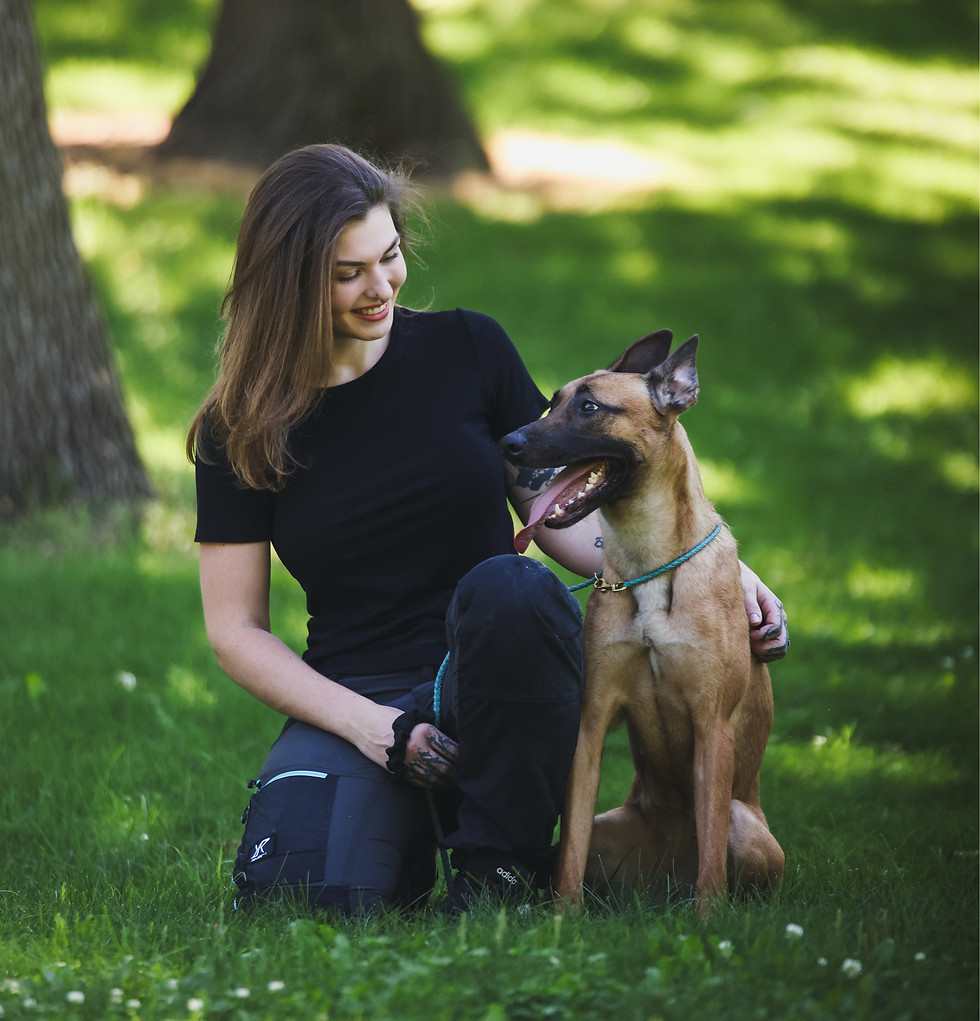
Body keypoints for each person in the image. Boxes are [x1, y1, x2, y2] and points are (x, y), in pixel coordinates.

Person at [187, 143, 789, 917]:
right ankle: (407, 828)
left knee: (514, 586)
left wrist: (710, 570)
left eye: (390, 256)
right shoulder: (237, 427)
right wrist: (377, 730)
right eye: (348, 273)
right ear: (288, 280)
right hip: (357, 695)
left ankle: (499, 868)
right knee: (298, 897)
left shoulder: (467, 348)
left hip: (505, 666)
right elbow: (235, 632)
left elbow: (565, 522)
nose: (382, 287)